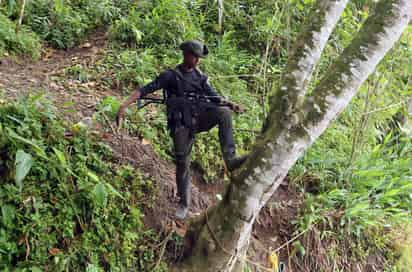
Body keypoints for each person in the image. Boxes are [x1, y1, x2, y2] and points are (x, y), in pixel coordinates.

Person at [116, 40, 247, 219]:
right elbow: (146, 89)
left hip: (199, 119)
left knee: (224, 113)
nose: (197, 61)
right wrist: (124, 105)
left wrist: (230, 104)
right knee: (182, 162)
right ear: (186, 55)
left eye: (199, 58)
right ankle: (184, 203)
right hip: (180, 124)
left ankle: (230, 159)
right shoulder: (171, 76)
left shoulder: (201, 77)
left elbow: (215, 98)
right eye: (195, 57)